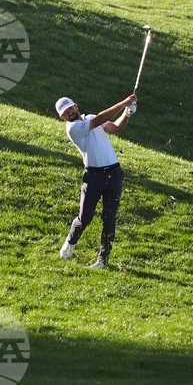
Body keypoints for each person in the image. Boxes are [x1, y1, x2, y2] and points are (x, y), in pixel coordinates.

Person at [56, 93, 136, 270]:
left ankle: (103, 259)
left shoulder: (91, 118)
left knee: (110, 217)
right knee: (85, 216)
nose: (69, 113)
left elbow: (115, 128)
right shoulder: (73, 128)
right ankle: (70, 243)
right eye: (65, 112)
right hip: (94, 176)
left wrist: (127, 113)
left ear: (76, 106)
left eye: (70, 108)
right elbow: (101, 118)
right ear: (62, 117)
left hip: (114, 173)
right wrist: (124, 102)